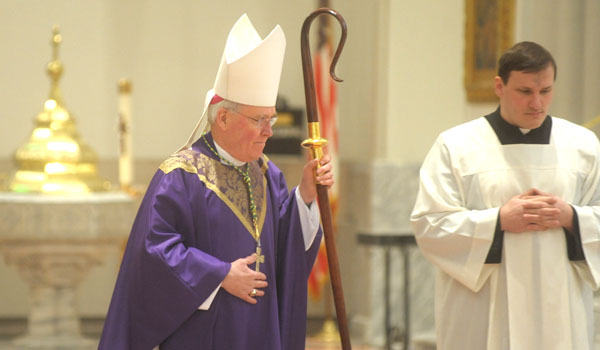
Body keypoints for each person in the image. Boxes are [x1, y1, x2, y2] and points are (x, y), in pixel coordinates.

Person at [99, 14, 333, 350]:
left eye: (272, 119)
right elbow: (153, 253)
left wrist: (307, 195)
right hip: (203, 334)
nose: (269, 130)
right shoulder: (180, 176)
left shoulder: (268, 174)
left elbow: (285, 247)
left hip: (261, 330)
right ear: (223, 117)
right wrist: (219, 274)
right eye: (260, 120)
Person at [411, 41, 600, 350]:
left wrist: (571, 217)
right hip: (482, 307)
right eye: (525, 92)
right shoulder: (457, 146)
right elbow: (430, 224)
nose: (537, 103)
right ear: (499, 86)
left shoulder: (582, 145)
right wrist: (498, 221)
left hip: (560, 307)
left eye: (546, 91)